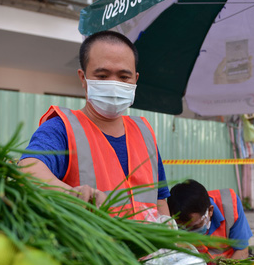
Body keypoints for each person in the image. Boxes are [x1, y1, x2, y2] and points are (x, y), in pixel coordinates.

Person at [18, 30, 170, 219]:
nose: (114, 84)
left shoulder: (145, 132)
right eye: (103, 76)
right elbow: (29, 169)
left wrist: (172, 240)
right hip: (92, 246)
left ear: (135, 80)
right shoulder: (62, 128)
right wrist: (70, 194)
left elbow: (160, 200)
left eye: (124, 77)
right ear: (83, 78)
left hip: (148, 248)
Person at [168, 179, 253, 265]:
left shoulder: (230, 204)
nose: (190, 233)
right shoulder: (168, 219)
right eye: (182, 228)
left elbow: (242, 250)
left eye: (195, 226)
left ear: (210, 211)